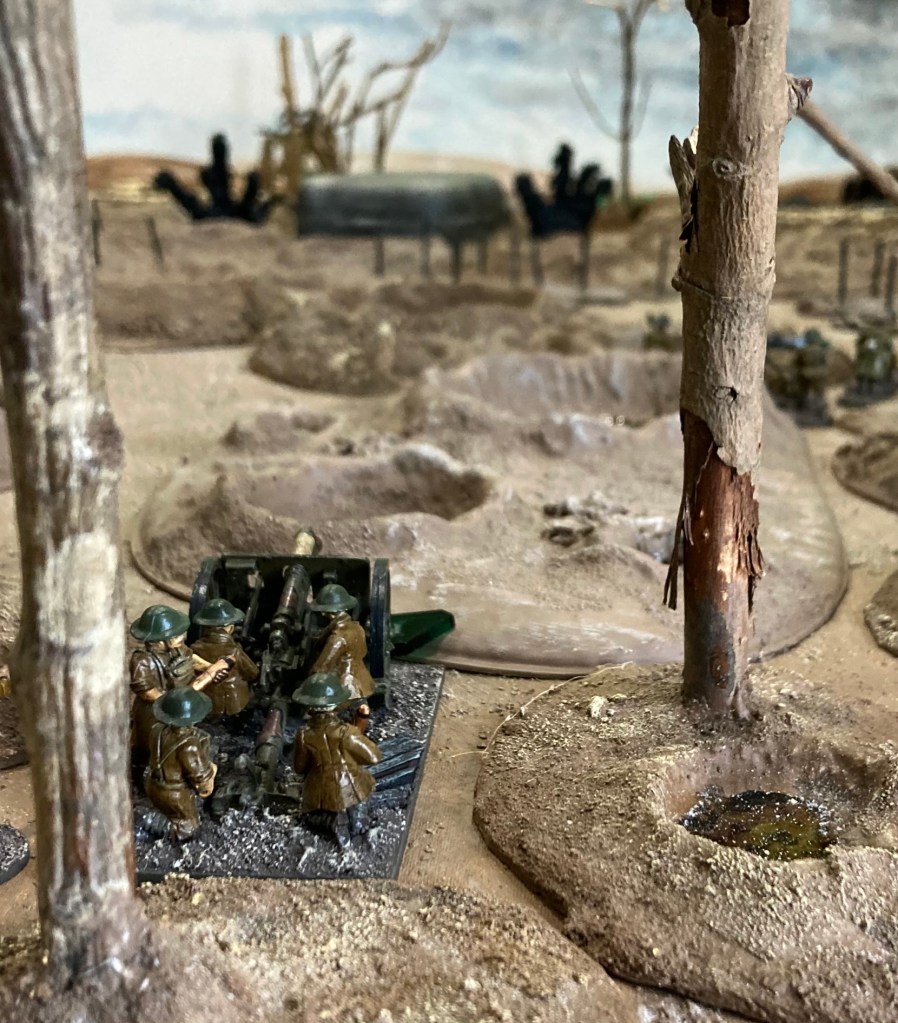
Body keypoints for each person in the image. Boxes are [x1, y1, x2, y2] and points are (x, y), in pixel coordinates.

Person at [292, 672, 382, 851]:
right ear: (336, 705)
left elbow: (299, 768)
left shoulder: (303, 735)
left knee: (308, 815)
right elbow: (373, 757)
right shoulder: (346, 733)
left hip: (319, 794)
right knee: (361, 798)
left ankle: (331, 821)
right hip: (352, 786)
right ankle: (356, 818)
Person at [145, 687, 217, 841]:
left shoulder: (156, 730)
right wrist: (211, 770)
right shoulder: (189, 746)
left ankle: (157, 821)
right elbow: (202, 782)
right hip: (176, 795)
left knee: (163, 811)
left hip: (153, 785)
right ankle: (173, 838)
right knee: (188, 827)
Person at [129, 604, 197, 757]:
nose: (182, 638)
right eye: (176, 636)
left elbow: (190, 658)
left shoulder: (176, 649)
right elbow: (146, 691)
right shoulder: (142, 660)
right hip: (152, 710)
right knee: (150, 743)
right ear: (159, 641)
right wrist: (169, 703)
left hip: (174, 703)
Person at [190, 598, 259, 717]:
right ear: (231, 629)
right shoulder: (235, 652)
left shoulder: (193, 649)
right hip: (234, 703)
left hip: (207, 703)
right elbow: (253, 673)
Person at [309, 583, 376, 701]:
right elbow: (363, 652)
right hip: (364, 681)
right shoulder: (357, 627)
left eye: (323, 610)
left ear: (329, 612)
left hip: (343, 687)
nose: (322, 613)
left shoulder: (338, 639)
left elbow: (321, 667)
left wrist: (308, 680)